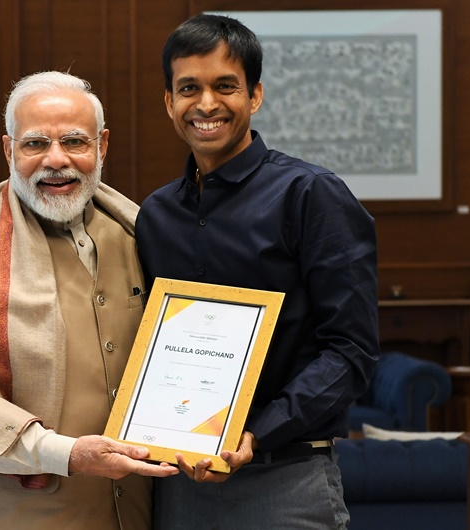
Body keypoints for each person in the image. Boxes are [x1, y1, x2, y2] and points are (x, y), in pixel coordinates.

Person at [0, 70, 177, 529]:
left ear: (102, 146)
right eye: (34, 144)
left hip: (137, 509)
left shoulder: (140, 233)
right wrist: (64, 453)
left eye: (74, 141)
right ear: (9, 149)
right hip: (18, 513)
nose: (56, 160)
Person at [135, 14, 379, 529]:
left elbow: (351, 351)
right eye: (188, 88)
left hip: (286, 480)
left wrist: (258, 432)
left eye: (226, 86)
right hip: (179, 485)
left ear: (255, 96)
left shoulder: (311, 196)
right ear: (168, 102)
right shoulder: (155, 216)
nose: (206, 104)